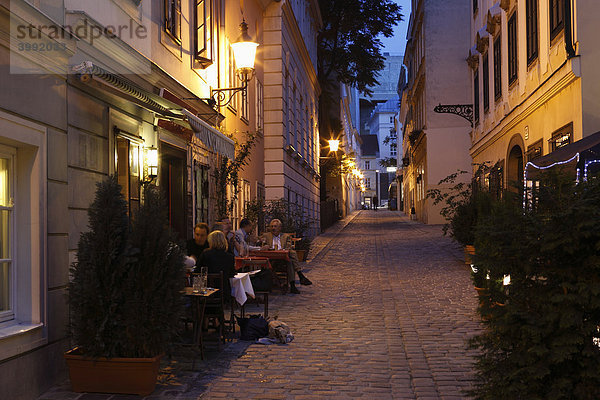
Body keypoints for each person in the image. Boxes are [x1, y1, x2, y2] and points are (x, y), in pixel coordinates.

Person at [260, 218, 312, 294]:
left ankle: (293, 285)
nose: (273, 228)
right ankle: (299, 277)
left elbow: (288, 248)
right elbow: (259, 242)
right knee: (292, 256)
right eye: (272, 226)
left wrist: (282, 250)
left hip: (283, 259)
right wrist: (262, 244)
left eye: (275, 226)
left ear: (280, 228)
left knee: (290, 261)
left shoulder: (285, 236)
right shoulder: (266, 236)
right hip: (271, 259)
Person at [195, 230, 235, 295]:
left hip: (207, 291)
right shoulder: (229, 256)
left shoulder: (205, 254)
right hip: (224, 291)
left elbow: (198, 270)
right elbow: (232, 274)